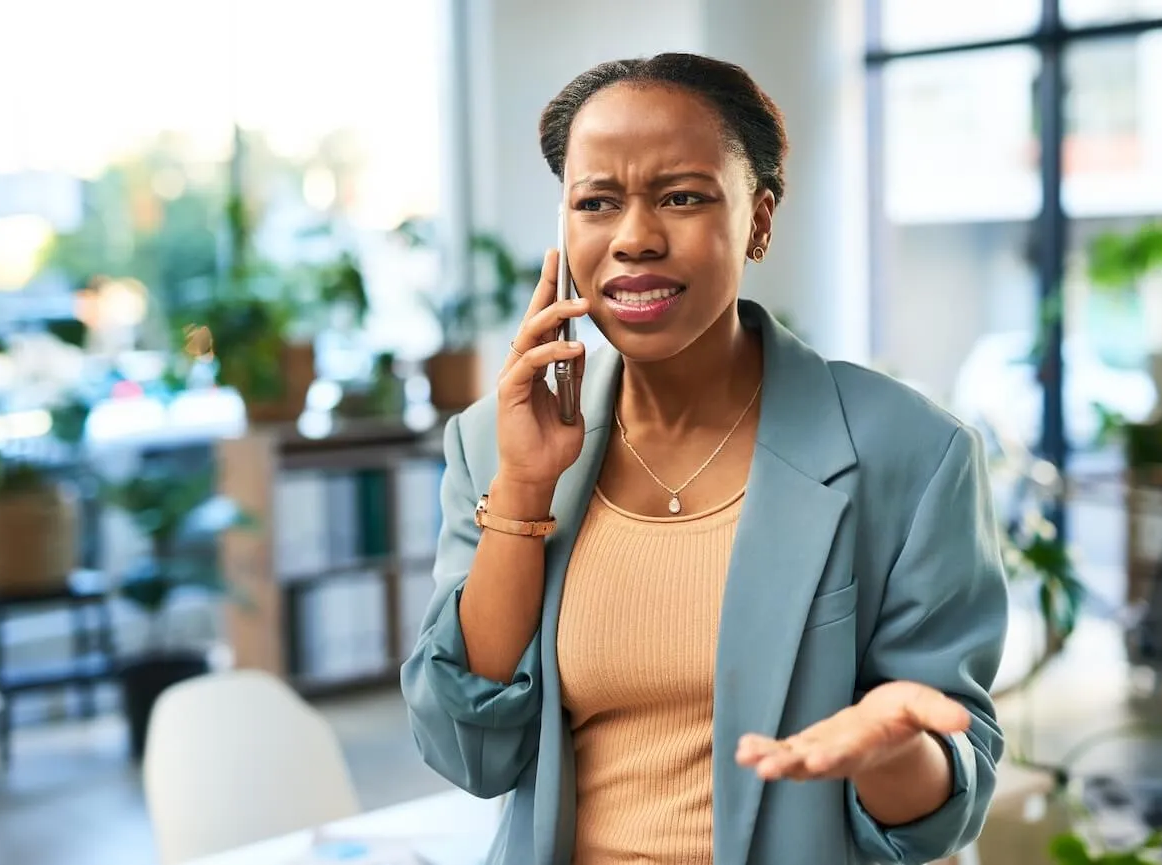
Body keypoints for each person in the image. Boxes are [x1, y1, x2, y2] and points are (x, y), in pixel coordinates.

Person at [401, 52, 1009, 865]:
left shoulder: (912, 452)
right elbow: (466, 751)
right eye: (596, 202)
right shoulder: (494, 445)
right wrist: (525, 488)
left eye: (682, 197)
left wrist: (888, 749)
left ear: (759, 220)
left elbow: (940, 816)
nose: (634, 239)